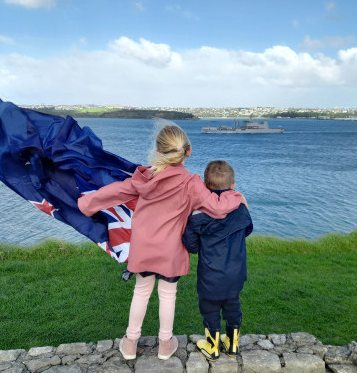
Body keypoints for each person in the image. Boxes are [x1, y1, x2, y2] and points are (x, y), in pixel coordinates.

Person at [78, 125, 246, 361]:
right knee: (168, 295)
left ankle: (130, 343)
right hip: (171, 250)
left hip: (144, 247)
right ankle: (165, 344)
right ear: (188, 152)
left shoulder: (144, 177)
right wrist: (236, 196)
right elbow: (217, 208)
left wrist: (87, 204)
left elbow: (115, 191)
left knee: (141, 292)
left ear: (159, 152)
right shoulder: (191, 183)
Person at [182, 160, 253, 361]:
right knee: (233, 304)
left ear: (205, 186)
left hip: (211, 273)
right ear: (233, 186)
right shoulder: (241, 208)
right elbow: (247, 229)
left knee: (210, 307)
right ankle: (232, 344)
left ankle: (212, 346)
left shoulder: (199, 213)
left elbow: (191, 244)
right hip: (236, 271)